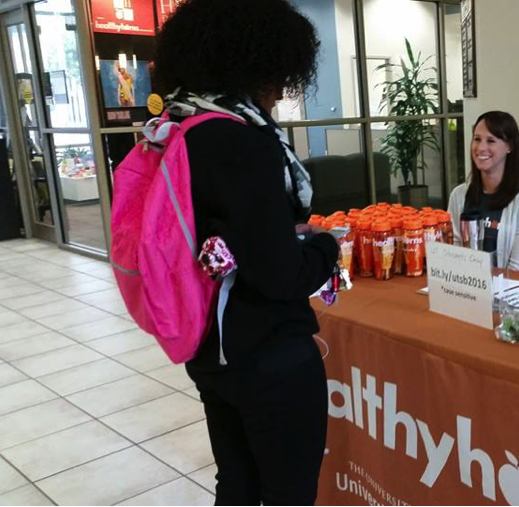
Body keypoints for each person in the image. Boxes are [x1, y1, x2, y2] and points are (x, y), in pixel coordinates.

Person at [154, 1, 339, 505]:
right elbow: (281, 275)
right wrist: (325, 246)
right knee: (287, 493)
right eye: (280, 76)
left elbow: (224, 235)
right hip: (269, 354)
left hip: (209, 346)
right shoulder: (243, 143)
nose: (281, 91)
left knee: (236, 485)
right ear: (257, 66)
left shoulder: (181, 129)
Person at [448, 111, 519, 274]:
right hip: (469, 284)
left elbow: (517, 270)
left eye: (490, 141)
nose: (481, 148)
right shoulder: (459, 195)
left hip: (515, 286)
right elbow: (454, 251)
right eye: (477, 139)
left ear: (510, 146)